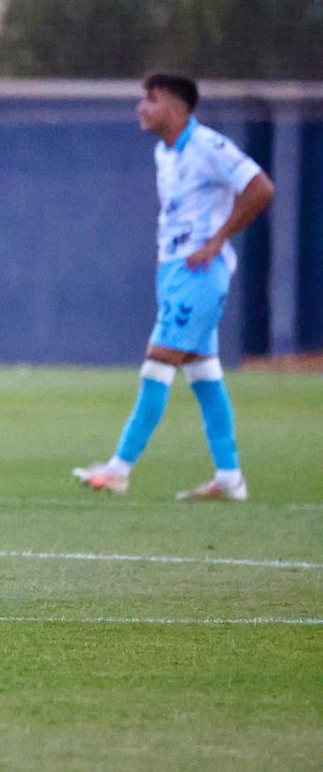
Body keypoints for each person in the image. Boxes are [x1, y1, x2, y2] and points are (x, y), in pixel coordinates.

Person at [73, 72, 274, 500]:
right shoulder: (165, 152)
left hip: (199, 272)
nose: (141, 108)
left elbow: (261, 187)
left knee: (158, 361)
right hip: (173, 270)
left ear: (178, 107)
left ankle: (119, 468)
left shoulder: (209, 146)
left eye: (151, 99)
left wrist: (219, 239)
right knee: (203, 371)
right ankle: (230, 479)